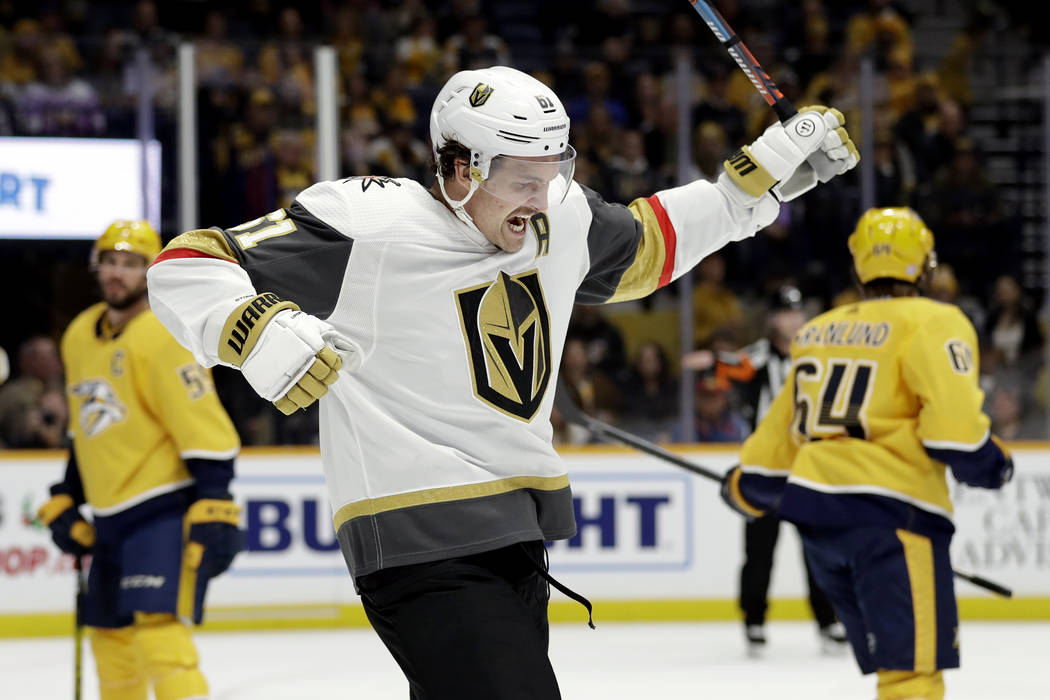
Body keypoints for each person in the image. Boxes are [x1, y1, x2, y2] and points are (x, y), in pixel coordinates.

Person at [147, 65, 857, 698]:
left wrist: (754, 181)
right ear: (459, 170)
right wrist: (253, 327)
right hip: (418, 542)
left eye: (555, 172)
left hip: (516, 534)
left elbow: (648, 245)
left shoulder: (558, 218)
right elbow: (186, 264)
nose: (543, 198)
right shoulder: (369, 223)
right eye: (523, 179)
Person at [721, 207, 1013, 700]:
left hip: (821, 531)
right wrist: (994, 465)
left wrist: (743, 490)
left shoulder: (819, 331)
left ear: (858, 268)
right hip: (893, 518)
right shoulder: (934, 321)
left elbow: (772, 454)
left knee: (891, 666)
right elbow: (955, 436)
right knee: (911, 674)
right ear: (924, 266)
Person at [36, 220, 242, 700]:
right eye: (109, 261)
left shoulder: (166, 335)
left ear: (150, 271)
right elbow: (85, 425)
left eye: (129, 264)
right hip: (108, 515)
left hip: (161, 509)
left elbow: (202, 426)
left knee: (159, 634)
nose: (116, 273)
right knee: (109, 639)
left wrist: (215, 499)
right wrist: (70, 492)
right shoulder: (78, 336)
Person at [713, 286, 847, 656]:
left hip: (809, 468)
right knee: (760, 552)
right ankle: (754, 621)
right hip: (765, 469)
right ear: (772, 319)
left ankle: (828, 620)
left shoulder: (818, 355)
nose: (792, 319)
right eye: (785, 312)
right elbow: (727, 368)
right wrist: (712, 363)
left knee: (819, 550)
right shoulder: (758, 358)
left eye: (797, 311)